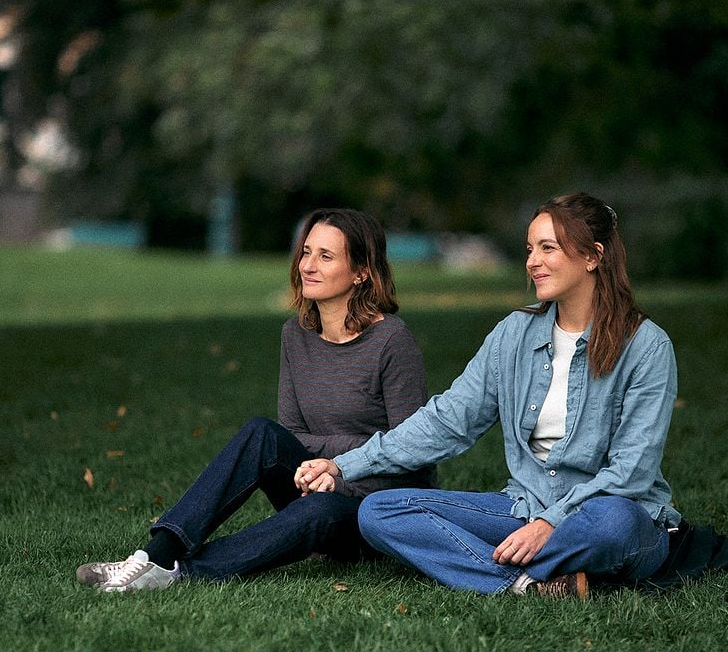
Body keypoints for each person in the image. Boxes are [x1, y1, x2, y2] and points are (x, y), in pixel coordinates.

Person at [295, 192, 680, 599]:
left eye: (548, 248)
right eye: (530, 249)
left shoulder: (646, 346)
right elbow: (446, 421)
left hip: (607, 515)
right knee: (379, 510)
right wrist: (343, 465)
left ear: (593, 256)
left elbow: (631, 472)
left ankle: (487, 565)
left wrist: (551, 523)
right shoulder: (513, 334)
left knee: (615, 522)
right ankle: (526, 584)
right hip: (521, 510)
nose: (532, 261)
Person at [78, 207, 436, 592]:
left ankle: (179, 572)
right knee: (260, 433)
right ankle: (154, 555)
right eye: (306, 252)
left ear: (361, 272)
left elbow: (411, 454)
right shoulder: (296, 336)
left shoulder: (392, 341)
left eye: (326, 256)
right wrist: (324, 465)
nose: (307, 266)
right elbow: (292, 434)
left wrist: (337, 470)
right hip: (311, 484)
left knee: (319, 508)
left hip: (374, 513)